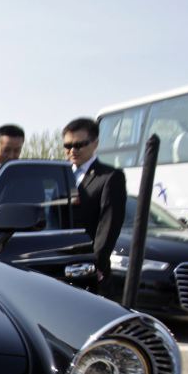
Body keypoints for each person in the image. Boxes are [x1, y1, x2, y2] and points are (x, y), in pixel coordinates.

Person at [62, 117, 126, 294]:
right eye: (68, 146)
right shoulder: (59, 175)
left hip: (89, 268)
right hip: (58, 262)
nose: (73, 150)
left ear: (95, 143)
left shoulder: (110, 177)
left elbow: (109, 225)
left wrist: (94, 263)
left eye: (79, 144)